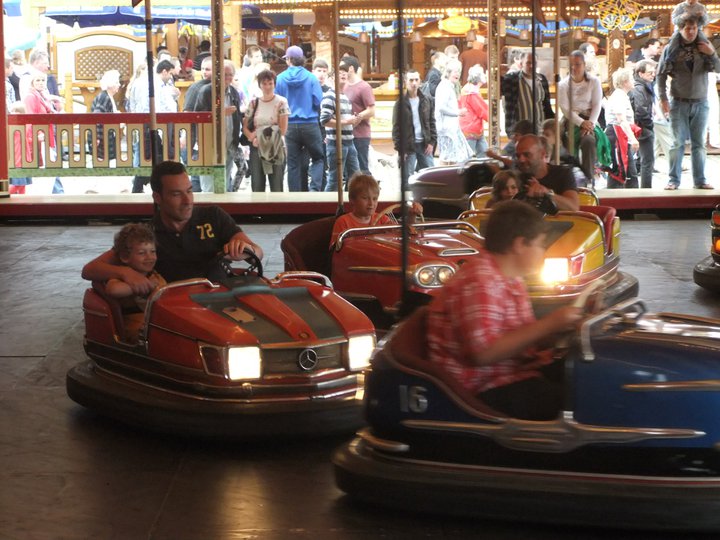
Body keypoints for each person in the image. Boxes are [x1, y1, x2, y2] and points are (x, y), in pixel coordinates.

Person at [427, 200, 583, 420]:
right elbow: (484, 353)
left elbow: (520, 337)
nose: (543, 252)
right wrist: (550, 324)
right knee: (577, 404)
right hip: (481, 388)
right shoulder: (480, 280)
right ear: (519, 245)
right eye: (540, 245)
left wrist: (566, 329)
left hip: (513, 373)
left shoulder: (511, 277)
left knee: (584, 378)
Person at [81, 160, 264, 291]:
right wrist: (125, 273)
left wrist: (245, 249)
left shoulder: (213, 216)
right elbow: (90, 269)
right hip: (175, 310)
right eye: (177, 194)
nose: (187, 201)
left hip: (219, 298)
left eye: (189, 191)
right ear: (158, 198)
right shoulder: (145, 235)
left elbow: (258, 252)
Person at [657, 14, 720, 189]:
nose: (690, 31)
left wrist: (712, 53)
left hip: (701, 101)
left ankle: (700, 180)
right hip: (678, 101)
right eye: (687, 28)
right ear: (680, 29)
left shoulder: (704, 46)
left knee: (699, 143)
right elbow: (660, 75)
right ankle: (673, 180)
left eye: (693, 28)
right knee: (677, 143)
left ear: (697, 29)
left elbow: (718, 68)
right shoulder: (671, 49)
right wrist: (662, 99)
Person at [104, 223, 167, 343]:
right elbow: (113, 290)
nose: (149, 257)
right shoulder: (122, 277)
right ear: (124, 257)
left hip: (155, 322)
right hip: (134, 326)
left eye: (152, 251)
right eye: (142, 253)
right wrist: (140, 286)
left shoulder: (155, 276)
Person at [275, 45, 325, 192]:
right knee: (318, 158)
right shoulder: (311, 78)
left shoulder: (280, 79)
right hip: (310, 124)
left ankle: (295, 197)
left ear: (289, 60)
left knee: (292, 164)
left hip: (289, 125)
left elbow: (277, 103)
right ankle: (314, 190)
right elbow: (318, 101)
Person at [330, 173, 422, 245]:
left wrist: (412, 214)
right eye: (365, 198)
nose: (371, 203)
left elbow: (403, 232)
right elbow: (336, 250)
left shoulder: (383, 220)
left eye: (375, 199)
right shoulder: (343, 222)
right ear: (352, 200)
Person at [557, 50, 603, 182]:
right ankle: (571, 178)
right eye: (571, 64)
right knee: (568, 142)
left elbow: (596, 104)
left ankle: (589, 177)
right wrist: (581, 123)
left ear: (583, 64)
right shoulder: (563, 85)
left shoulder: (594, 81)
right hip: (571, 120)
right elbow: (565, 109)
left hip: (590, 119)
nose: (574, 68)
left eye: (577, 64)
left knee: (589, 141)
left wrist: (590, 124)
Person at [243, 69, 289, 193]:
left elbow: (283, 129)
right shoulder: (253, 103)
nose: (267, 87)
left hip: (275, 147)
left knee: (276, 185)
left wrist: (261, 136)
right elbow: (245, 126)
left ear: (274, 84)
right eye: (264, 83)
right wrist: (252, 137)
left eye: (270, 83)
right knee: (257, 184)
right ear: (259, 85)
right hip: (256, 147)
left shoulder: (281, 102)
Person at [392, 69, 436, 183]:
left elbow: (432, 122)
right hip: (408, 146)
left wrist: (432, 143)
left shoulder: (427, 100)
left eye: (416, 80)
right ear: (406, 82)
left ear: (420, 81)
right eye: (411, 80)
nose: (414, 83)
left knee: (430, 176)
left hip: (425, 145)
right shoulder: (400, 103)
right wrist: (400, 149)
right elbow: (396, 129)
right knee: (407, 179)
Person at [514, 134, 580, 211]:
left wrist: (547, 193)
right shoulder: (516, 178)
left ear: (542, 154)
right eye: (518, 156)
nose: (521, 160)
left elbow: (574, 208)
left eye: (527, 155)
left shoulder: (563, 173)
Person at [321, 63, 359, 192]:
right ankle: (326, 208)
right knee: (335, 180)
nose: (343, 74)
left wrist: (353, 121)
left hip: (349, 141)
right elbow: (325, 120)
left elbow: (344, 121)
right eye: (339, 73)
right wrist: (346, 121)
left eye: (344, 73)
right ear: (331, 78)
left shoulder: (345, 97)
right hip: (336, 143)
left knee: (356, 177)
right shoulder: (329, 96)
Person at [23, 70, 63, 194]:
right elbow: (29, 118)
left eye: (43, 80)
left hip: (47, 133)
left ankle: (57, 192)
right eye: (37, 80)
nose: (41, 83)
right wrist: (35, 135)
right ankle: (57, 193)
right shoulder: (30, 96)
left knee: (51, 163)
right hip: (40, 135)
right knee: (48, 164)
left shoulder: (43, 96)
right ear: (32, 82)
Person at [501, 52, 554, 136]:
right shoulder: (512, 80)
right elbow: (508, 107)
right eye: (528, 63)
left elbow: (546, 105)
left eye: (534, 63)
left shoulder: (542, 79)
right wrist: (511, 131)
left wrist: (552, 125)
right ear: (521, 64)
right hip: (521, 132)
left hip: (540, 130)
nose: (532, 66)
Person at [339, 55, 375, 174]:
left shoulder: (364, 87)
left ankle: (367, 191)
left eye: (343, 68)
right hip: (346, 135)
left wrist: (357, 117)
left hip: (360, 135)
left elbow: (371, 110)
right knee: (348, 170)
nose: (341, 72)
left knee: (362, 168)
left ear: (350, 68)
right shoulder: (343, 86)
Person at [604, 68, 640, 188]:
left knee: (623, 172)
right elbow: (622, 120)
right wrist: (633, 139)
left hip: (619, 136)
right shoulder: (619, 97)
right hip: (616, 136)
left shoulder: (622, 96)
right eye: (631, 79)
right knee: (622, 172)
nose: (634, 81)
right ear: (625, 81)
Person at [182, 56, 213, 192]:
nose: (205, 72)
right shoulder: (196, 88)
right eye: (203, 69)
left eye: (208, 69)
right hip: (196, 138)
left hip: (210, 139)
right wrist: (185, 135)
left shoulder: (220, 87)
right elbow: (187, 113)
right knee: (196, 175)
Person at [435, 59, 472, 165]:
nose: (457, 74)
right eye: (455, 71)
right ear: (448, 72)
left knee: (452, 159)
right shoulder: (445, 86)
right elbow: (441, 107)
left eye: (459, 71)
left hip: (450, 128)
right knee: (448, 158)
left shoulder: (448, 86)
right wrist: (458, 112)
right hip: (447, 129)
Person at [629, 60, 657, 188]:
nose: (653, 75)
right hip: (642, 128)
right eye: (650, 73)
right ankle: (646, 189)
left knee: (643, 161)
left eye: (654, 72)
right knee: (647, 161)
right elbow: (640, 110)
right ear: (640, 73)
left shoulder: (642, 87)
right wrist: (650, 124)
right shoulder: (639, 88)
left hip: (640, 127)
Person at [89, 69, 121, 161]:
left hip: (106, 136)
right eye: (116, 82)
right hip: (102, 138)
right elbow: (97, 117)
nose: (119, 84)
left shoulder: (108, 96)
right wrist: (96, 137)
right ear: (110, 85)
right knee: (104, 163)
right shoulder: (104, 98)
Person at [459, 65, 488, 158]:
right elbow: (482, 110)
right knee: (468, 158)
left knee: (483, 154)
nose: (485, 75)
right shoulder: (472, 92)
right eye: (483, 74)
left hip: (469, 127)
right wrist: (492, 120)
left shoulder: (467, 89)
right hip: (472, 128)